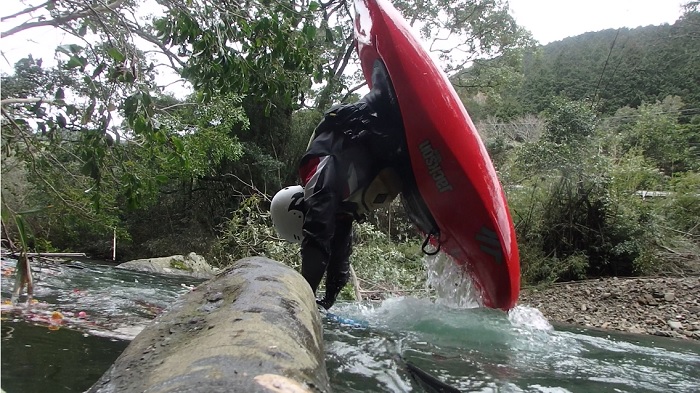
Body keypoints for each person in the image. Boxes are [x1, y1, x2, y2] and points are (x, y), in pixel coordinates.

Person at [271, 60, 407, 310]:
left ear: (298, 213)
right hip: (398, 158)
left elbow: (318, 233)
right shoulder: (340, 211)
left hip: (382, 119)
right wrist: (328, 299)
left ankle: (380, 95)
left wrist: (304, 298)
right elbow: (339, 255)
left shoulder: (314, 172)